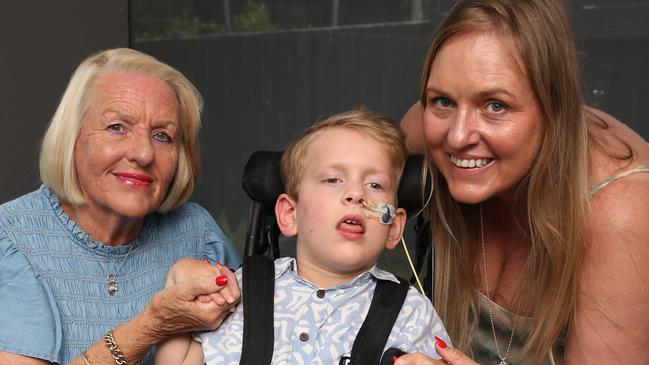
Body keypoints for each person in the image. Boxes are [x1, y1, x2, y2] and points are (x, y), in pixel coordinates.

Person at [396, 0, 649, 364]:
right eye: (442, 101)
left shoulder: (621, 209)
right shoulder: (430, 131)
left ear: (555, 110)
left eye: (495, 105)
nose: (457, 136)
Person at [0, 48, 242, 365]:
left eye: (162, 135)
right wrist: (152, 326)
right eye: (117, 127)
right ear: (71, 139)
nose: (143, 154)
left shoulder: (197, 232)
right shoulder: (12, 240)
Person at [155, 109, 451, 364]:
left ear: (394, 227)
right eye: (333, 180)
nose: (356, 194)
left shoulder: (412, 314)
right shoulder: (245, 291)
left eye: (374, 185)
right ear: (289, 214)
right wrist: (180, 283)